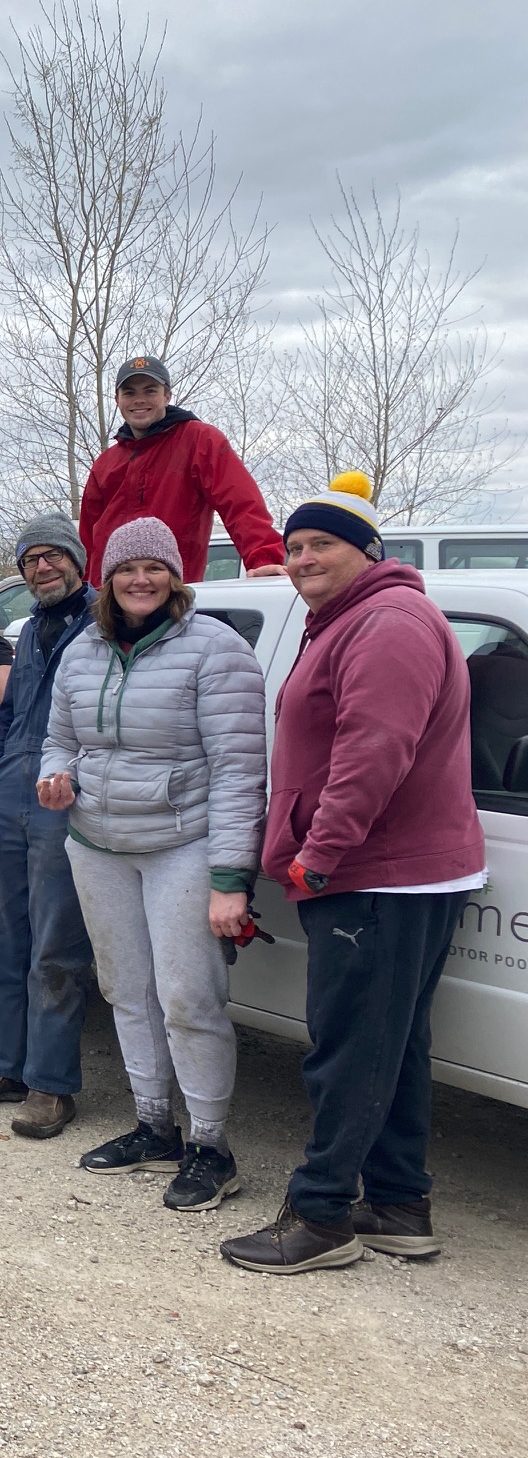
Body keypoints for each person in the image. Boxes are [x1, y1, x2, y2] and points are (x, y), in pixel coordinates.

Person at [221, 475, 484, 1274]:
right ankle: (400, 1206)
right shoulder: (349, 618)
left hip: (378, 875)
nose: (302, 558)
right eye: (294, 546)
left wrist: (317, 856)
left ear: (369, 551)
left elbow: (373, 753)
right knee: (391, 1045)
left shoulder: (388, 623)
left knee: (348, 1047)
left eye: (321, 544)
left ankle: (322, 1215)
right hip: (393, 872)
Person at [40, 516, 267, 1212]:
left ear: (175, 577)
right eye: (127, 569)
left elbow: (239, 772)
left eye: (155, 568)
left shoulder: (215, 650)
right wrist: (57, 774)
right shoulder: (84, 649)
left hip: (183, 843)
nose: (141, 580)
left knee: (189, 998)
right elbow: (59, 737)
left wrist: (230, 875)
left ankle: (210, 1145)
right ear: (107, 580)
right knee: (125, 990)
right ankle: (153, 1125)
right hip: (98, 844)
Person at [0, 516, 95, 1137]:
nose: (41, 568)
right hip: (11, 786)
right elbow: (14, 710)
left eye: (52, 556)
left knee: (54, 943)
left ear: (78, 563)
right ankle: (3, 1064)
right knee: (0, 934)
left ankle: (51, 1085)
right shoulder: (29, 629)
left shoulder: (102, 626)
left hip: (66, 796)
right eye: (30, 559)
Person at [79, 355, 284, 586]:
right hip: (109, 597)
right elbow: (88, 537)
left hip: (172, 591)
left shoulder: (200, 440)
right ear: (117, 399)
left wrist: (263, 558)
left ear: (167, 396)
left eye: (150, 391)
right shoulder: (106, 462)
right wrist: (83, 589)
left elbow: (241, 504)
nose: (139, 400)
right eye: (129, 392)